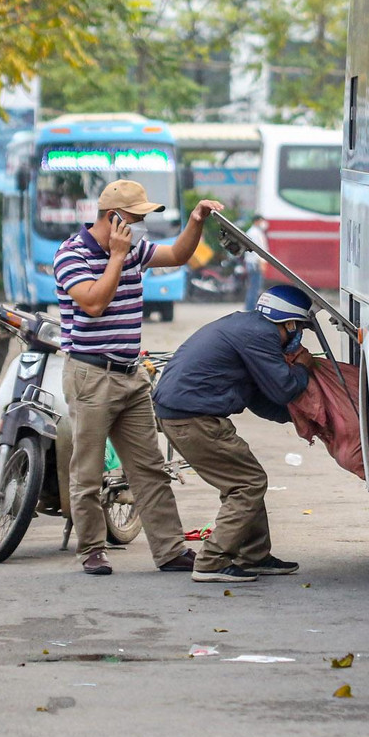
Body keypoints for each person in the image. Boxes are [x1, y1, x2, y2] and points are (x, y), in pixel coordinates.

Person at [53, 181, 226, 575]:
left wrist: (197, 219)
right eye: (136, 218)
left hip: (131, 375)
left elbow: (179, 255)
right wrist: (116, 256)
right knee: (88, 471)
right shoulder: (71, 255)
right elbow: (94, 303)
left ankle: (169, 550)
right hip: (91, 375)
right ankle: (92, 549)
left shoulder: (134, 250)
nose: (141, 225)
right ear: (113, 217)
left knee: (148, 469)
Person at [152, 285, 312, 582]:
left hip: (182, 414)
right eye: (300, 328)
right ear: (289, 323)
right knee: (248, 484)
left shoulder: (248, 327)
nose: (299, 336)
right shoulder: (261, 335)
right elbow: (284, 388)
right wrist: (302, 368)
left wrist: (303, 420)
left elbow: (260, 399)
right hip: (193, 418)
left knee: (245, 478)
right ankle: (211, 561)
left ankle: (253, 556)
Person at [243, 216, 268, 311]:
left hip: (253, 263)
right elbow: (257, 250)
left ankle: (250, 307)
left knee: (254, 287)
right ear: (257, 221)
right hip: (255, 264)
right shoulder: (254, 233)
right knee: (255, 287)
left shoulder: (255, 232)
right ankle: (250, 309)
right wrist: (261, 263)